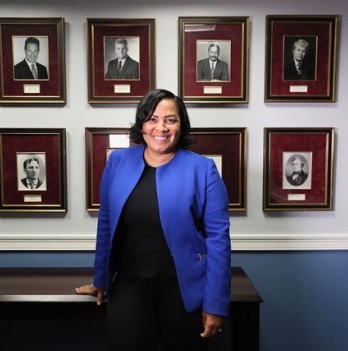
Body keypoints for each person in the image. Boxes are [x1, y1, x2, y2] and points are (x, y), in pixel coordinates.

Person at [76, 89, 231, 351]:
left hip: (183, 291)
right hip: (128, 286)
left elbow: (218, 240)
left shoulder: (203, 169)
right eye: (152, 118)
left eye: (171, 120)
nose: (161, 127)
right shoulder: (117, 162)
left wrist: (215, 304)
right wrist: (100, 279)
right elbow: (106, 224)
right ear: (142, 124)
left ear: (182, 125)